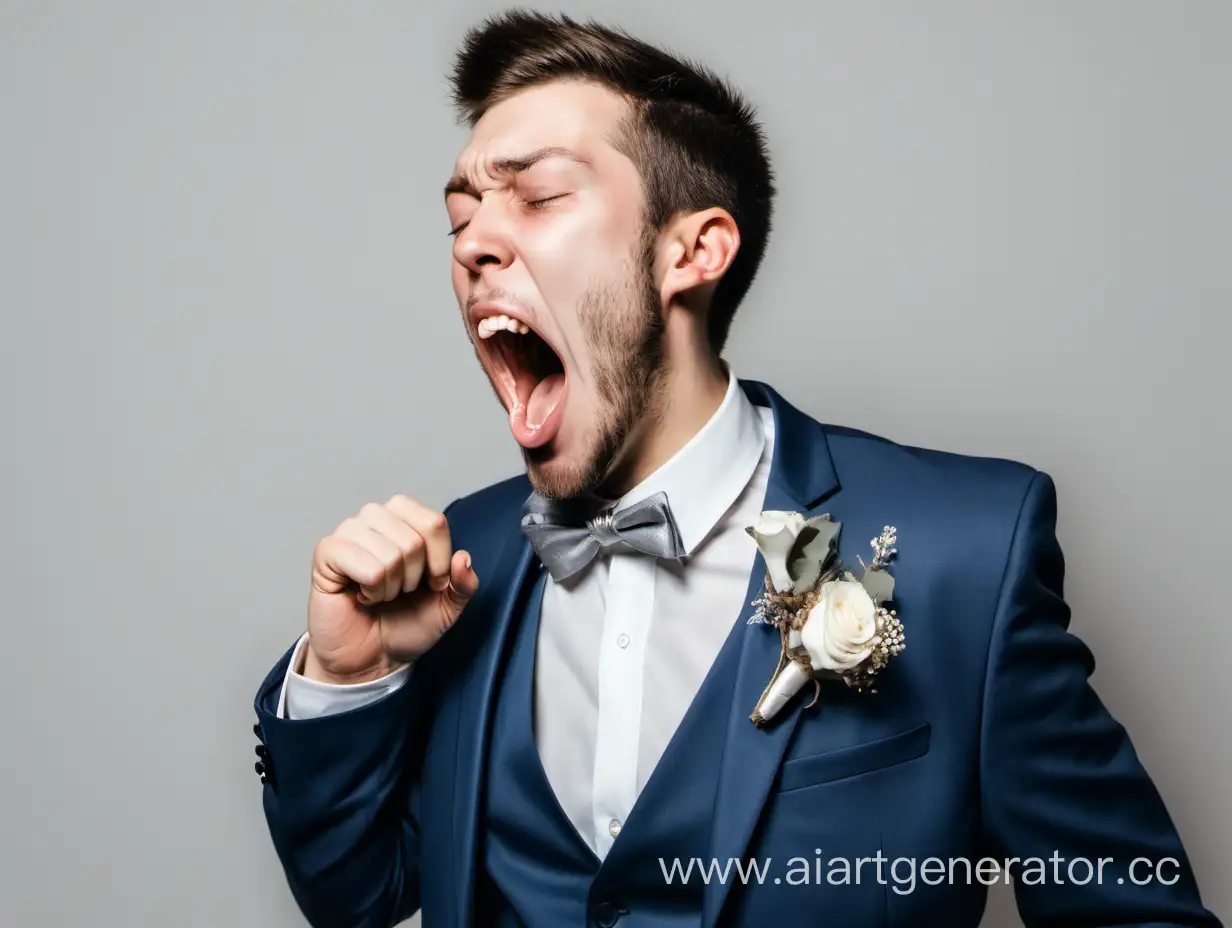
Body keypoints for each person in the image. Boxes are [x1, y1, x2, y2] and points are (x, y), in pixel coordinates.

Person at [251, 11, 1220, 928]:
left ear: (694, 251)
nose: (472, 244)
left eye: (537, 195)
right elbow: (355, 894)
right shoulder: (462, 564)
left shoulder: (965, 551)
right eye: (459, 215)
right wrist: (344, 676)